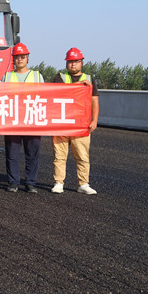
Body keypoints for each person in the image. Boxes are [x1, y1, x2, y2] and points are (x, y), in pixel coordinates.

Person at [51, 47, 99, 195]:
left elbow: (94, 101)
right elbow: (61, 92)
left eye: (76, 61)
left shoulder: (90, 79)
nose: (73, 64)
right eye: (70, 61)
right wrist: (79, 85)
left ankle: (83, 184)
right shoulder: (59, 77)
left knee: (82, 156)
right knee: (59, 155)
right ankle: (58, 182)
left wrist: (94, 120)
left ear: (81, 62)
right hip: (61, 123)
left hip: (81, 124)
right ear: (66, 63)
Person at [2, 42, 44, 193]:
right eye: (17, 57)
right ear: (13, 59)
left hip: (32, 119)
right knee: (12, 153)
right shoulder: (7, 76)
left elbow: (46, 96)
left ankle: (30, 182)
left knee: (32, 153)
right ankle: (13, 182)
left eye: (22, 57)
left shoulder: (37, 76)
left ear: (27, 58)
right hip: (12, 120)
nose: (19, 59)